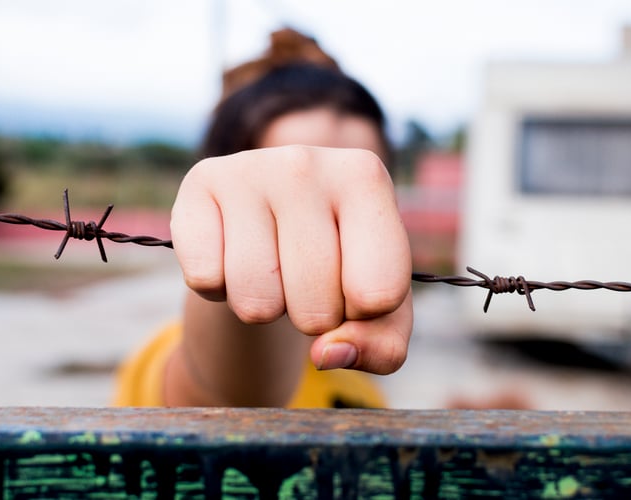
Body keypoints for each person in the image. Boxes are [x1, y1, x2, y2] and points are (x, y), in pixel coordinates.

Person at [113, 28, 412, 408]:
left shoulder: (353, 376)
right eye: (292, 184)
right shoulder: (166, 356)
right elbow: (230, 395)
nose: (330, 208)